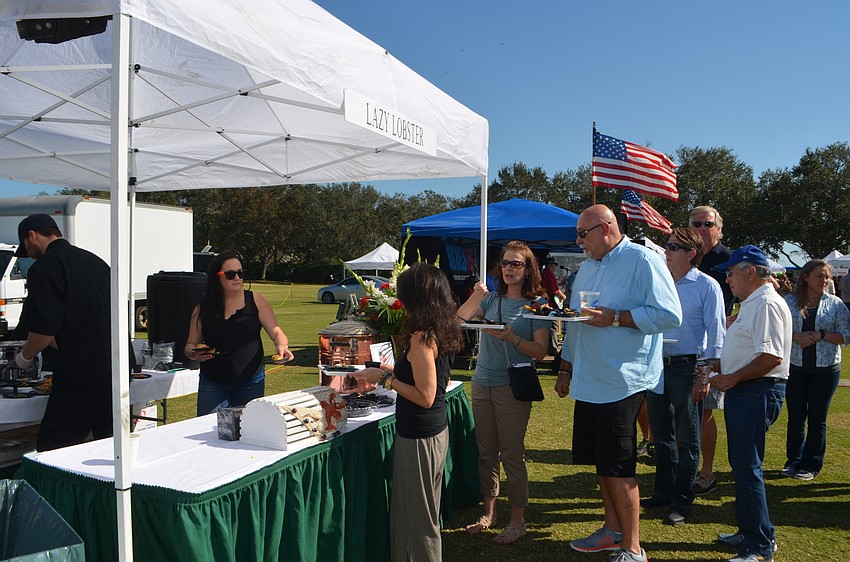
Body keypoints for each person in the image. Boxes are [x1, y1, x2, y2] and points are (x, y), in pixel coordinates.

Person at [555, 205, 682, 562]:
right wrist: (565, 368)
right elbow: (578, 322)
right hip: (590, 379)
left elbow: (669, 315)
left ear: (606, 227)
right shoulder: (588, 269)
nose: (578, 241)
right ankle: (612, 532)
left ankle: (633, 547)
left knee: (619, 467)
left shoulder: (643, 260)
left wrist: (615, 320)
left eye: (582, 234)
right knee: (602, 464)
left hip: (624, 380)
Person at [352, 262, 464, 562]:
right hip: (429, 433)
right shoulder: (438, 329)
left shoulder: (421, 338)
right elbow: (423, 378)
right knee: (413, 512)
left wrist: (386, 380)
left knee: (420, 519)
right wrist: (388, 370)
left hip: (420, 437)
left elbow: (425, 396)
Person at [457, 241, 549, 545]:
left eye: (517, 264)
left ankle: (517, 521)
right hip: (482, 383)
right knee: (486, 454)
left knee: (511, 454)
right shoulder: (491, 299)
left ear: (528, 269)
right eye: (506, 263)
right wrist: (476, 295)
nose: (509, 269)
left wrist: (512, 338)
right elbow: (459, 320)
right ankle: (489, 514)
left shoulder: (536, 305)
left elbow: (541, 351)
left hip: (512, 386)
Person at [711, 245, 791, 562]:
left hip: (756, 390)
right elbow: (751, 350)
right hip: (750, 389)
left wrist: (732, 377)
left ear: (750, 272)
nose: (727, 279)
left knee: (747, 469)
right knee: (744, 467)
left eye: (731, 273)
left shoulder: (766, 304)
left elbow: (772, 356)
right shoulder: (756, 303)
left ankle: (758, 545)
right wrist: (721, 366)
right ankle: (753, 532)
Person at [641, 227, 725, 526]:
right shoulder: (659, 283)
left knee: (687, 439)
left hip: (688, 367)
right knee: (660, 435)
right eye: (666, 246)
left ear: (691, 254)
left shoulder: (707, 286)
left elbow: (716, 335)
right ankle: (663, 492)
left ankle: (682, 500)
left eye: (673, 247)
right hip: (656, 365)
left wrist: (703, 376)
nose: (666, 251)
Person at [13, 214, 112, 451]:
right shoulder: (95, 261)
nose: (28, 253)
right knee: (107, 445)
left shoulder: (45, 268)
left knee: (54, 446)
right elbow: (84, 321)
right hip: (114, 368)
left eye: (26, 247)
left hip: (81, 372)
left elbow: (44, 330)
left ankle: (52, 489)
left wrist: (24, 357)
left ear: (32, 236)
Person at [185, 252, 293, 416]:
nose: (237, 278)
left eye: (241, 273)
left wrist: (282, 346)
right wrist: (195, 353)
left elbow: (276, 331)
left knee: (247, 433)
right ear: (217, 277)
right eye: (230, 274)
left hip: (251, 382)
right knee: (208, 431)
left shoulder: (255, 301)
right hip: (213, 383)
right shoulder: (202, 308)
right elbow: (190, 345)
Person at [781, 259, 850, 480]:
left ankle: (811, 464)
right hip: (796, 367)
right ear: (806, 277)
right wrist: (796, 337)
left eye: (827, 277)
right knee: (796, 417)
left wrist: (821, 335)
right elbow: (777, 331)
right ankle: (793, 460)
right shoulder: (790, 302)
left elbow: (845, 336)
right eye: (819, 276)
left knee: (817, 418)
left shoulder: (836, 304)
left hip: (826, 370)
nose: (824, 280)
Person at [689, 205, 732, 496]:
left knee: (704, 412)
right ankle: (684, 469)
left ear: (719, 228)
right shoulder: (682, 256)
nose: (702, 228)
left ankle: (706, 472)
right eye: (696, 223)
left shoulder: (729, 260)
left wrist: (728, 322)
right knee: (681, 413)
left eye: (708, 223)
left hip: (711, 349)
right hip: (680, 347)